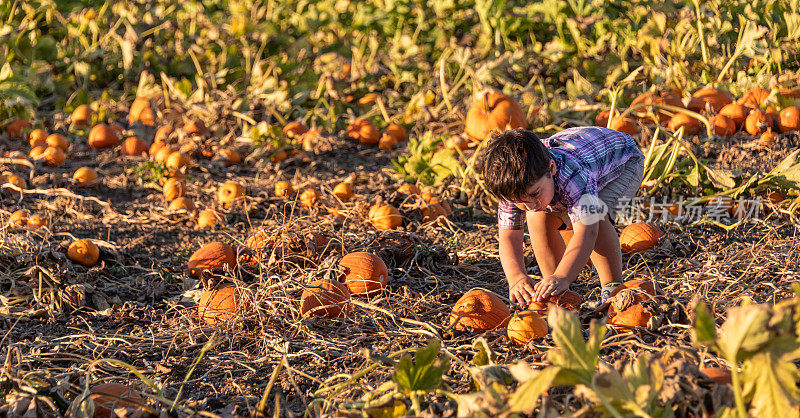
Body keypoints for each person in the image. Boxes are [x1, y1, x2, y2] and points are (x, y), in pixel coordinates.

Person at [477, 127, 645, 307]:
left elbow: (587, 232)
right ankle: (558, 291)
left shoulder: (572, 174)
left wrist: (563, 276)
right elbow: (509, 237)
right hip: (581, 161)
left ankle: (612, 287)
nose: (529, 205)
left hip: (624, 163)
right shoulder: (511, 187)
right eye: (519, 201)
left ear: (551, 168)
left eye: (535, 194)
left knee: (595, 218)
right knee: (536, 216)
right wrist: (517, 277)